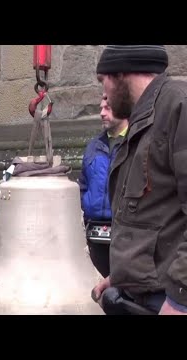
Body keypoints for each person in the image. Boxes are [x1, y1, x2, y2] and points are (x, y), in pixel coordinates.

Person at [93, 45, 187, 315]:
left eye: (104, 82)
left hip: (169, 302)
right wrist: (124, 275)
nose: (105, 97)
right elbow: (154, 215)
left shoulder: (178, 107)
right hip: (144, 296)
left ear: (121, 73)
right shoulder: (143, 119)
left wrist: (180, 299)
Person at [78, 94, 128, 278]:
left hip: (124, 235)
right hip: (94, 234)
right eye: (100, 108)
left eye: (107, 108)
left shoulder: (134, 144)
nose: (101, 113)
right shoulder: (93, 146)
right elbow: (83, 184)